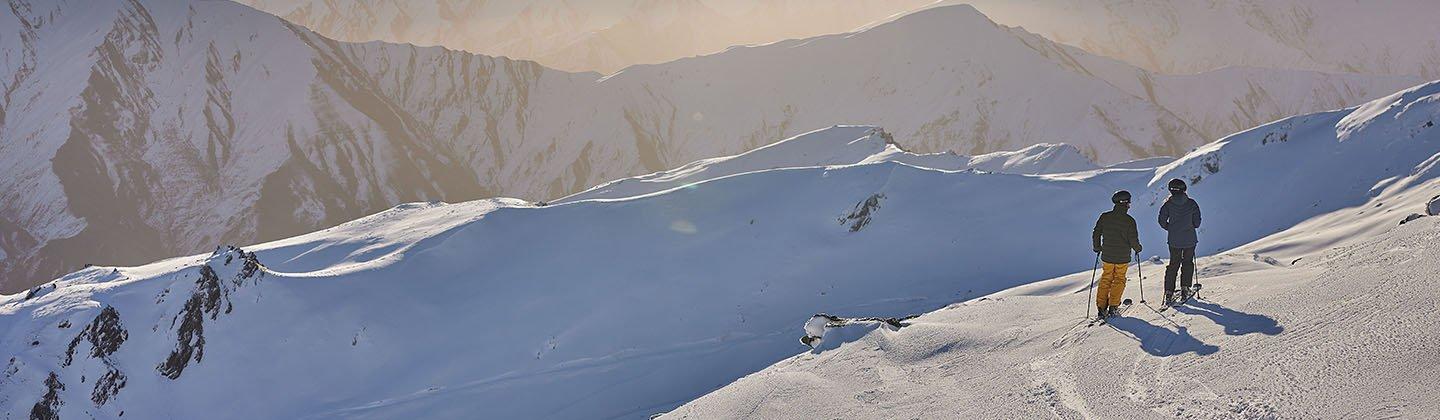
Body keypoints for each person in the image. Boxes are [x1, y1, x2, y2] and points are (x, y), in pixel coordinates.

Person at [1092, 190, 1142, 318]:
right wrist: (1138, 248)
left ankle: (1101, 307)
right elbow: (1133, 240)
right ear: (1127, 203)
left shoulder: (1105, 216)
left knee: (1106, 278)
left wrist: (1097, 247)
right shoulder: (1129, 220)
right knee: (1119, 279)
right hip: (1122, 257)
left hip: (1107, 255)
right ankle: (1113, 307)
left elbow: (1096, 232)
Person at [1159, 178, 1201, 305]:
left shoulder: (1167, 205)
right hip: (1190, 240)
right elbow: (1197, 223)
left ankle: (1169, 292)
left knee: (1173, 265)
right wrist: (1189, 226)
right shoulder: (1192, 203)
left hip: (1174, 240)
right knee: (1187, 263)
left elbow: (1161, 221)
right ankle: (1185, 289)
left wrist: (1171, 228)